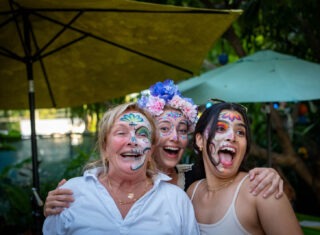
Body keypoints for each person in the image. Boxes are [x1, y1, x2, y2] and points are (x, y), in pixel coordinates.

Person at [43, 79, 283, 217]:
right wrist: (59, 204)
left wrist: (267, 174)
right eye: (165, 128)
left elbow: (231, 182)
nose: (176, 138)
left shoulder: (198, 177)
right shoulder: (108, 182)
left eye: (182, 130)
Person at [43, 103, 199, 234]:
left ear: (151, 149)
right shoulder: (71, 194)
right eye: (121, 132)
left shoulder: (177, 200)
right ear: (104, 146)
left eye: (142, 134)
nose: (132, 141)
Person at [187, 101, 303, 234]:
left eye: (240, 132)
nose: (232, 137)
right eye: (220, 128)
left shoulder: (262, 189)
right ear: (200, 140)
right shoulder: (192, 192)